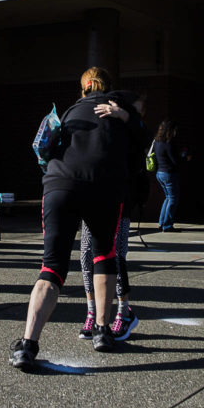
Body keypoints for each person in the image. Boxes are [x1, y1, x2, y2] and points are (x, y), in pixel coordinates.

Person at [9, 67, 147, 371]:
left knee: (52, 267)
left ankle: (27, 345)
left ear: (83, 89)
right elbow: (140, 154)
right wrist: (127, 119)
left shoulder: (71, 110)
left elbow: (47, 148)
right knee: (104, 256)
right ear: (109, 88)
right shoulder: (119, 110)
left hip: (61, 185)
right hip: (104, 187)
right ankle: (102, 330)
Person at [77, 91, 148, 342]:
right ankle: (92, 312)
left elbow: (144, 138)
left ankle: (124, 311)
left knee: (115, 254)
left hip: (119, 199)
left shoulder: (130, 129)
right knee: (86, 254)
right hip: (94, 195)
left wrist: (125, 116)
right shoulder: (103, 125)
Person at [154, 120, 186, 232]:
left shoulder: (157, 142)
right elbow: (175, 161)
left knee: (168, 198)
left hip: (160, 172)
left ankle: (162, 223)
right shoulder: (168, 143)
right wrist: (183, 157)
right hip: (169, 173)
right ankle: (167, 225)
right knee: (173, 199)